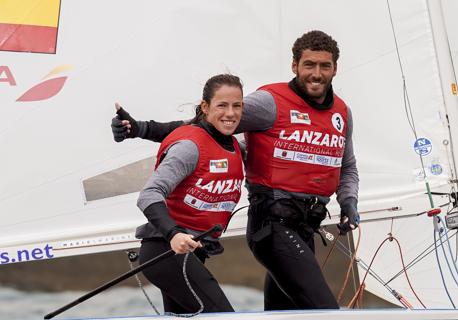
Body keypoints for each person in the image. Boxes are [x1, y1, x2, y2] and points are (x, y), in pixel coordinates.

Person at [112, 30, 359, 310]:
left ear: (335, 68)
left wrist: (349, 202)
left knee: (287, 314)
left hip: (306, 226)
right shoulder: (268, 104)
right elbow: (201, 126)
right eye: (309, 65)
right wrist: (142, 129)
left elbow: (347, 166)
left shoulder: (342, 113)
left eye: (325, 66)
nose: (317, 73)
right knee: (323, 311)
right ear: (294, 66)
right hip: (272, 225)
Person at [130, 74, 244, 314]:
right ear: (205, 107)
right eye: (222, 105)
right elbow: (149, 194)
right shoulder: (189, 148)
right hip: (165, 251)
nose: (230, 113)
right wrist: (173, 234)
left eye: (237, 106)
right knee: (224, 317)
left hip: (190, 254)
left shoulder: (235, 146)